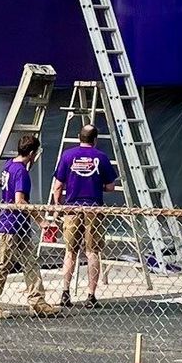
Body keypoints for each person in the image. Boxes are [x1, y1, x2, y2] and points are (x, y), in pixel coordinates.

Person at [0, 130, 56, 317]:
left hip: (18, 224)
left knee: (30, 262)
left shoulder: (9, 166)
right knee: (2, 264)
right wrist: (40, 220)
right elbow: (20, 200)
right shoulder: (21, 172)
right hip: (12, 224)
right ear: (32, 153)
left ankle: (37, 302)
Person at [50, 121, 119, 307]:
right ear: (95, 140)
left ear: (79, 138)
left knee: (70, 252)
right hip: (93, 209)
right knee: (92, 252)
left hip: (72, 208)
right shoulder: (101, 157)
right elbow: (111, 186)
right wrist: (98, 184)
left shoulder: (67, 156)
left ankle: (65, 292)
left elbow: (58, 186)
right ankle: (91, 295)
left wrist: (58, 205)